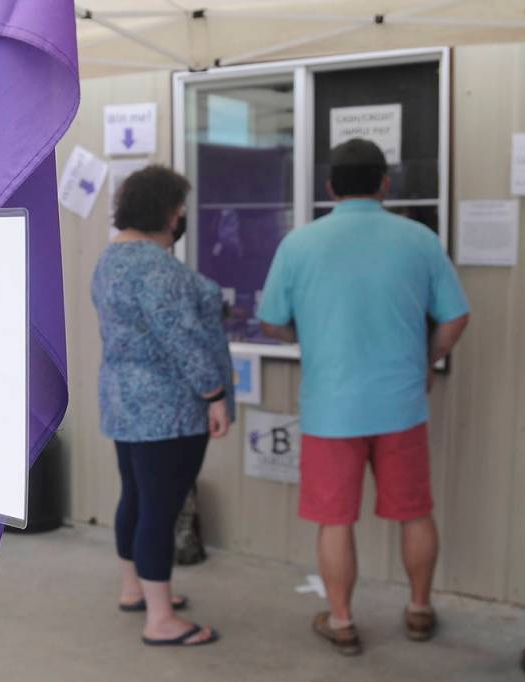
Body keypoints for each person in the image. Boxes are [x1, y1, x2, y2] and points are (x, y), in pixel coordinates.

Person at [257, 139, 470, 656]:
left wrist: (308, 339)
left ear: (330, 187)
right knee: (415, 511)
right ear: (384, 184)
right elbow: (455, 315)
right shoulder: (419, 240)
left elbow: (270, 320)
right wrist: (427, 360)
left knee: (335, 519)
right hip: (401, 405)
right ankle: (419, 611)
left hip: (331, 407)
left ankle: (342, 620)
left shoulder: (300, 244)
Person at [91, 165, 234, 647]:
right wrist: (215, 394)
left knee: (135, 497)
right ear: (171, 214)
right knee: (161, 509)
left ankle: (135, 589)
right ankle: (160, 620)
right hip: (167, 411)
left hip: (122, 402)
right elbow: (186, 342)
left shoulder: (109, 261)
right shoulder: (159, 269)